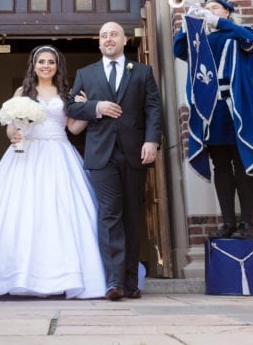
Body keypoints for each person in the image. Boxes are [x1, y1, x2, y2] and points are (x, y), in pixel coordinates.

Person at [0, 46, 106, 298]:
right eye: (41, 61)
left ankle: (65, 276)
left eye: (51, 62)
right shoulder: (22, 92)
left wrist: (89, 108)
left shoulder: (66, 93)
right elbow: (11, 130)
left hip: (58, 152)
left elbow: (75, 129)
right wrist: (16, 134)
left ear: (58, 66)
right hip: (26, 154)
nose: (46, 66)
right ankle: (16, 275)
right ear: (33, 65)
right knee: (21, 211)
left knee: (62, 212)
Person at [67, 22, 163, 300]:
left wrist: (151, 140)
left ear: (124, 40)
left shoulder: (142, 72)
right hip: (101, 155)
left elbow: (153, 108)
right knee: (109, 215)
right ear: (99, 44)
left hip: (136, 152)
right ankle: (113, 282)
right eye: (103, 36)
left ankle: (132, 282)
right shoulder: (86, 74)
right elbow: (72, 107)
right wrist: (96, 107)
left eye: (114, 34)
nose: (108, 39)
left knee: (133, 215)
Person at [173, 0, 253, 241]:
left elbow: (251, 41)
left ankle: (247, 222)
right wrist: (188, 22)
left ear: (227, 13)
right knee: (220, 165)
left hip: (237, 107)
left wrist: (216, 22)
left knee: (242, 163)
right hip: (212, 109)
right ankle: (228, 221)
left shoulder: (239, 32)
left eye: (214, 8)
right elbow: (179, 50)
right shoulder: (201, 41)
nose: (209, 11)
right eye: (206, 9)